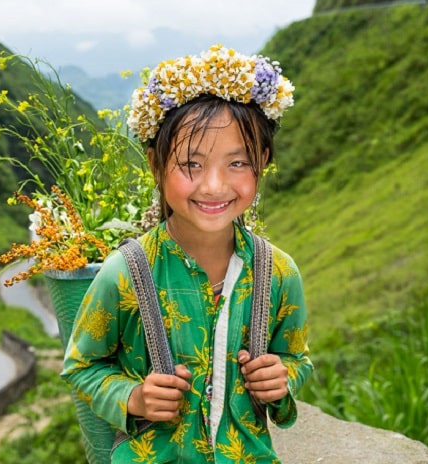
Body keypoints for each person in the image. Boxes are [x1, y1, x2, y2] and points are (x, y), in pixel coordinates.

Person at [61, 45, 313, 463]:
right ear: (155, 165)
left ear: (263, 162)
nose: (214, 186)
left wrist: (282, 378)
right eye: (191, 165)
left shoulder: (279, 272)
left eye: (238, 163)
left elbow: (296, 357)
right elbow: (82, 365)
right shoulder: (126, 273)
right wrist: (134, 397)